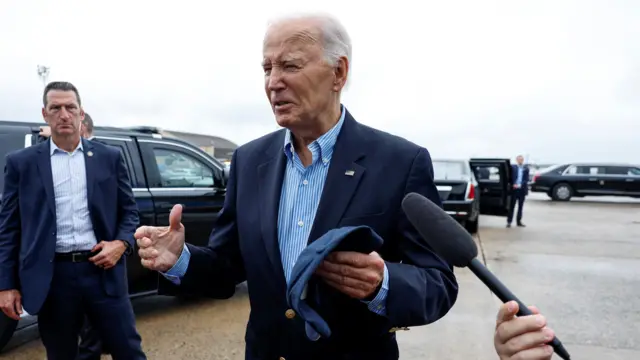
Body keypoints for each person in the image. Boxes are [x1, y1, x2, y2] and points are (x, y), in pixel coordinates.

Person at [135, 13, 458, 360]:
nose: (274, 82)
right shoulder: (249, 161)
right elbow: (226, 269)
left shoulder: (399, 162)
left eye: (290, 65)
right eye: (267, 68)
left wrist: (384, 284)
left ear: (339, 73)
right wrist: (179, 260)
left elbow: (437, 283)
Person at [0, 81, 146, 359]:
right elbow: (9, 228)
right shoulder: (22, 163)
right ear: (45, 114)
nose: (63, 114)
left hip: (102, 272)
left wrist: (121, 243)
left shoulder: (109, 158)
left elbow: (129, 212)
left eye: (70, 107)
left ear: (81, 113)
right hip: (53, 278)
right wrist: (6, 284)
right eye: (56, 108)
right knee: (61, 354)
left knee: (129, 351)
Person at [40, 112, 111, 360]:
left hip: (97, 260)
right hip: (57, 265)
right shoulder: (39, 158)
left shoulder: (106, 157)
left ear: (85, 127)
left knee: (95, 329)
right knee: (62, 337)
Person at [507, 155, 530, 228]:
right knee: (512, 206)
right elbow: (509, 177)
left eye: (521, 159)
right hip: (514, 189)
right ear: (517, 160)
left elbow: (526, 179)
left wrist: (520, 185)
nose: (520, 161)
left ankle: (518, 221)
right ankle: (509, 222)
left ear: (523, 160)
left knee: (520, 207)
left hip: (522, 190)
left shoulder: (526, 169)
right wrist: (513, 184)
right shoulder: (513, 167)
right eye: (519, 159)